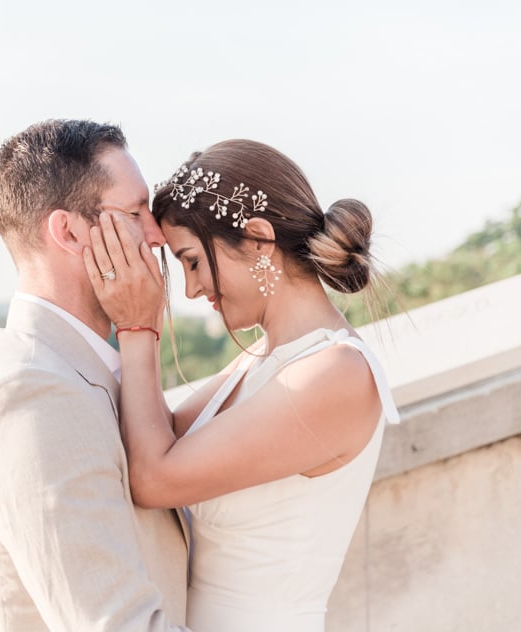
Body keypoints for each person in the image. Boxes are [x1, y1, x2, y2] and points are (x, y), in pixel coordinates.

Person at [83, 139, 400, 631]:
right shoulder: (261, 360)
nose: (189, 289)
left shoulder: (334, 373)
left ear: (256, 240)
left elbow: (153, 478)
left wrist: (138, 327)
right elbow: (152, 434)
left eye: (191, 260)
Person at [0, 119, 190, 630]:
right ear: (70, 232)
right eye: (135, 212)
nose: (157, 234)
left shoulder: (72, 373)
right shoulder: (32, 393)